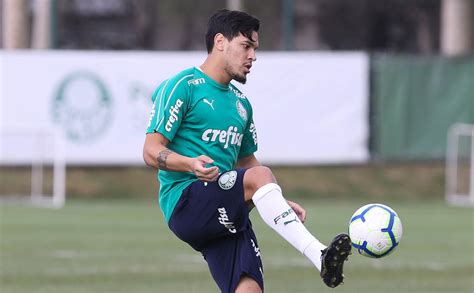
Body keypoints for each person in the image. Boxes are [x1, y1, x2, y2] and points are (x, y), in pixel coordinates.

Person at [143, 9, 351, 293]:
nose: (253, 56)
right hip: (186, 201)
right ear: (220, 42)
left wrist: (275, 199)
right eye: (246, 46)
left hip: (225, 209)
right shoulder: (183, 86)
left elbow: (248, 163)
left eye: (255, 48)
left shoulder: (241, 104)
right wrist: (190, 164)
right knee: (260, 175)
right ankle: (319, 255)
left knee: (249, 289)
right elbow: (151, 151)